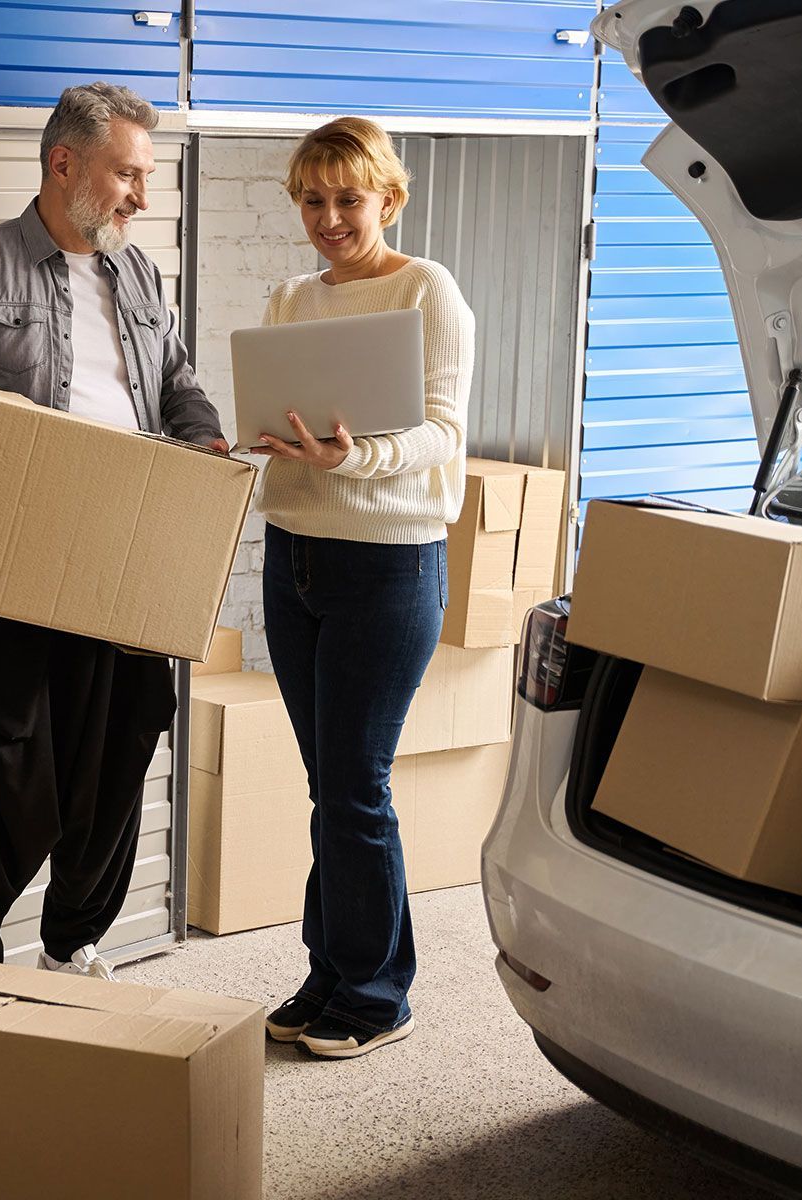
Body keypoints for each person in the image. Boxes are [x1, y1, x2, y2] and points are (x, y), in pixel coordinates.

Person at [0, 82, 229, 978]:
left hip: (130, 549)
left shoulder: (139, 273)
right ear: (64, 164)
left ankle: (73, 942)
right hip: (13, 553)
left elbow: (176, 384)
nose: (142, 196)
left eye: (146, 177)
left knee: (127, 735)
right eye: (127, 175)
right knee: (1, 751)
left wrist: (206, 439)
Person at [248, 117, 473, 1058]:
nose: (331, 217)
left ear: (388, 197)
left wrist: (355, 458)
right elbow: (275, 411)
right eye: (313, 199)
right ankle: (334, 968)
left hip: (388, 559)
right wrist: (260, 438)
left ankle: (380, 994)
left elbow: (443, 433)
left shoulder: (428, 291)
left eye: (349, 197)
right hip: (294, 552)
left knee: (355, 785)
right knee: (327, 784)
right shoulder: (291, 297)